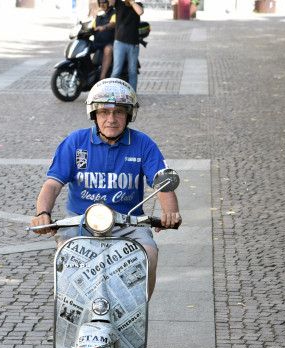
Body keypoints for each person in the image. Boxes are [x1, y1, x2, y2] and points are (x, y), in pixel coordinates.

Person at [30, 78, 181, 302]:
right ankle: (69, 318)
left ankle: (137, 314)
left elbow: (162, 183)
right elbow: (52, 184)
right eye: (104, 112)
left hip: (128, 223)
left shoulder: (143, 144)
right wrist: (43, 214)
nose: (111, 119)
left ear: (129, 115)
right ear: (95, 114)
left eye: (119, 112)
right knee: (66, 258)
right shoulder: (75, 142)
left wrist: (170, 213)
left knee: (148, 255)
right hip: (81, 222)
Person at [109, 0, 144, 91]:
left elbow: (140, 12)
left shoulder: (138, 5)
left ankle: (132, 95)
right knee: (116, 70)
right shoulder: (119, 3)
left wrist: (132, 2)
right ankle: (110, 93)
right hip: (120, 42)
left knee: (132, 71)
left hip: (133, 44)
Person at [92, 0, 117, 81]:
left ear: (108, 3)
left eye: (104, 2)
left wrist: (104, 27)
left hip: (109, 42)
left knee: (108, 50)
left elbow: (113, 23)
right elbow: (93, 25)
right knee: (85, 47)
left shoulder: (113, 13)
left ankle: (102, 77)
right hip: (97, 42)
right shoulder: (99, 14)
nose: (102, 4)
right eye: (101, 2)